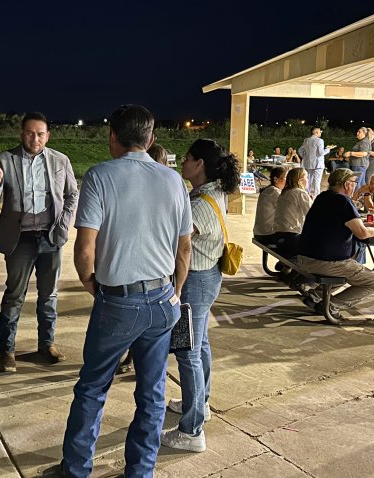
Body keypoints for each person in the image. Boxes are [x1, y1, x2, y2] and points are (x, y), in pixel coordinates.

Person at [61, 105, 192, 478]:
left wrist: (91, 282)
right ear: (150, 139)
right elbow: (185, 249)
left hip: (118, 301)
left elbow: (85, 248)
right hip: (163, 300)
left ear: (112, 139)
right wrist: (175, 291)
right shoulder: (173, 181)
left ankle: (76, 470)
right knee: (151, 394)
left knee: (92, 388)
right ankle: (140, 472)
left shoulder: (101, 176)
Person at [0, 112, 78, 373]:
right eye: (30, 133)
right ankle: (7, 351)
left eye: (40, 134)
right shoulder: (5, 160)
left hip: (50, 237)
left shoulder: (60, 160)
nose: (35, 138)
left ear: (48, 135)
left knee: (49, 295)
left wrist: (63, 224)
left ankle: (47, 345)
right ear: (21, 133)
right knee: (14, 296)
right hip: (20, 239)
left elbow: (72, 195)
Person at [161, 139, 240, 453]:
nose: (182, 163)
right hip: (207, 278)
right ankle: (200, 403)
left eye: (187, 159)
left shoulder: (199, 204)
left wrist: (175, 287)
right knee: (200, 344)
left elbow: (180, 244)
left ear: (200, 164)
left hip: (194, 282)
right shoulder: (213, 193)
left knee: (187, 352)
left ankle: (192, 431)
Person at [297, 168, 374, 319]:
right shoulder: (343, 201)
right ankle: (331, 306)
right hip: (326, 262)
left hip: (305, 257)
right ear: (346, 184)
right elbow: (363, 234)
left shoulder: (323, 197)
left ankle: (316, 295)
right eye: (353, 182)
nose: (355, 185)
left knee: (350, 268)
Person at [268, 167, 313, 258]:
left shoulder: (284, 193)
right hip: (292, 239)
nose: (308, 180)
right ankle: (290, 267)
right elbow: (312, 216)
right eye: (306, 177)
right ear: (300, 181)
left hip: (278, 237)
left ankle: (286, 267)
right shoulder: (300, 193)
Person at [253, 166, 287, 244]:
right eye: (285, 178)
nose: (287, 181)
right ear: (276, 179)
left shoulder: (269, 190)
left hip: (260, 232)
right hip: (267, 234)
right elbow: (287, 209)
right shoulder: (274, 192)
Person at [297, 127, 335, 198]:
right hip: (318, 164)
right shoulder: (320, 140)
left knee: (308, 180)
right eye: (320, 131)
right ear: (316, 132)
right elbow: (320, 153)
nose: (321, 132)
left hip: (308, 163)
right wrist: (328, 149)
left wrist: (305, 157)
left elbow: (300, 150)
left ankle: (307, 196)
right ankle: (317, 196)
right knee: (317, 181)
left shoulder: (306, 140)